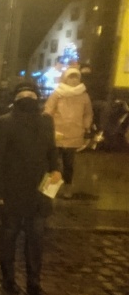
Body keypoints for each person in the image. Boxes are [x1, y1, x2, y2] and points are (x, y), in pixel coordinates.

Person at [0, 82, 61, 295]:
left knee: (36, 238)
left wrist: (56, 169)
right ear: (16, 99)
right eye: (23, 95)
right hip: (12, 189)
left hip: (39, 190)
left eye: (32, 95)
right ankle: (8, 279)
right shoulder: (4, 123)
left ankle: (34, 282)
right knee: (9, 234)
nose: (28, 98)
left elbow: (51, 150)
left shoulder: (46, 122)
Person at [44, 67, 93, 199]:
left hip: (74, 135)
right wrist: (47, 127)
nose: (73, 80)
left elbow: (87, 113)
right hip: (57, 133)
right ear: (65, 78)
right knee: (53, 163)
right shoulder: (57, 93)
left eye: (75, 77)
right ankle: (49, 189)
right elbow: (48, 111)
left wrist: (86, 127)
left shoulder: (84, 95)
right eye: (70, 77)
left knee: (69, 164)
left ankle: (67, 189)